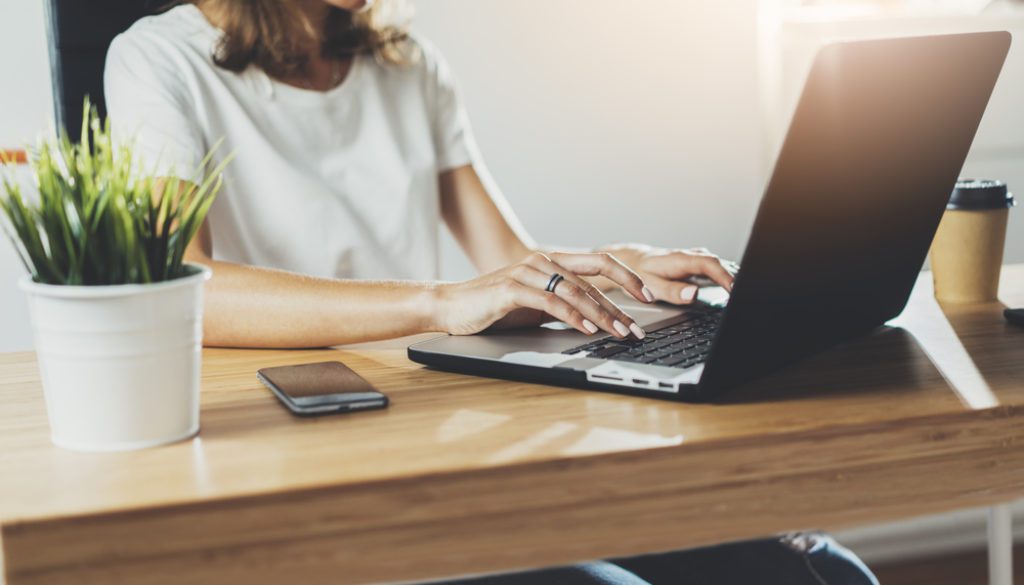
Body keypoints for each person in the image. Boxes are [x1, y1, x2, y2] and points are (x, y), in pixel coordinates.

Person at [103, 1, 879, 583]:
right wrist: (438, 302)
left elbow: (509, 269)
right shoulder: (157, 60)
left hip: (442, 448)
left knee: (827, 572)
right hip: (311, 476)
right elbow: (182, 285)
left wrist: (619, 263)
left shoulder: (407, 62)